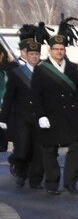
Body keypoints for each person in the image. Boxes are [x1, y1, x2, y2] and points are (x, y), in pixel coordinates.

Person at [31, 29, 78, 195]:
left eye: (62, 49)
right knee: (49, 150)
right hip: (50, 115)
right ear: (49, 50)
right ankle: (52, 183)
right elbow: (36, 95)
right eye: (56, 49)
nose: (59, 51)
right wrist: (40, 115)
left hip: (71, 115)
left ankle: (71, 182)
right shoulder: (41, 69)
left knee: (76, 147)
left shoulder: (71, 68)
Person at [1, 33, 45, 189]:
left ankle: (35, 180)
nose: (34, 57)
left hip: (39, 117)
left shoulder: (44, 72)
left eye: (37, 54)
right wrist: (3, 118)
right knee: (23, 148)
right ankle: (21, 172)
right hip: (21, 117)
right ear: (26, 55)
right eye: (31, 54)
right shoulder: (17, 73)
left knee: (38, 150)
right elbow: (9, 96)